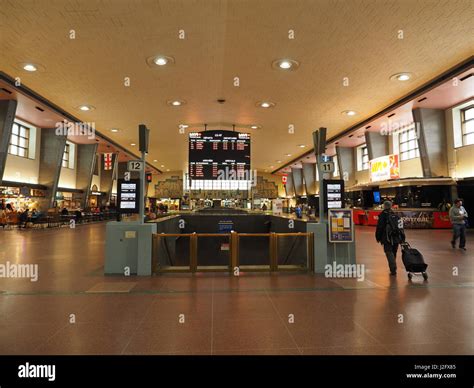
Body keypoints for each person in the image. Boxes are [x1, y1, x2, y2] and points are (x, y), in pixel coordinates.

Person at [375, 200, 405, 275]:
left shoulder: (383, 215)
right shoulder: (396, 215)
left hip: (387, 238)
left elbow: (380, 227)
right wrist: (402, 238)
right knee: (393, 252)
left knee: (388, 252)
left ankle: (393, 269)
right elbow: (401, 227)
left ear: (384, 206)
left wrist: (378, 237)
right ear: (391, 206)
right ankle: (393, 267)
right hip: (396, 238)